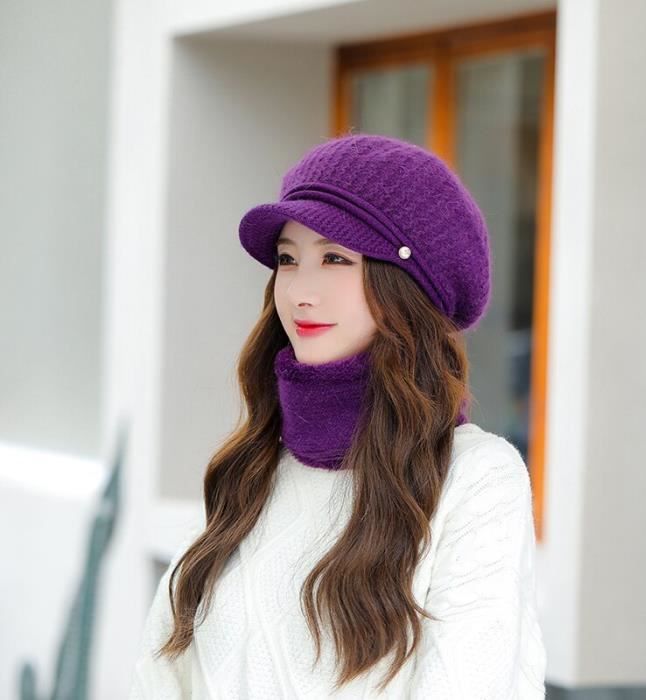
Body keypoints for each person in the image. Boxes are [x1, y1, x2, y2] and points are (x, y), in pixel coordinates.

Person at [127, 133, 547, 698]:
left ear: (406, 286)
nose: (300, 289)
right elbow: (159, 676)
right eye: (287, 258)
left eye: (334, 258)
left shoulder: (475, 480)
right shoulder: (251, 469)